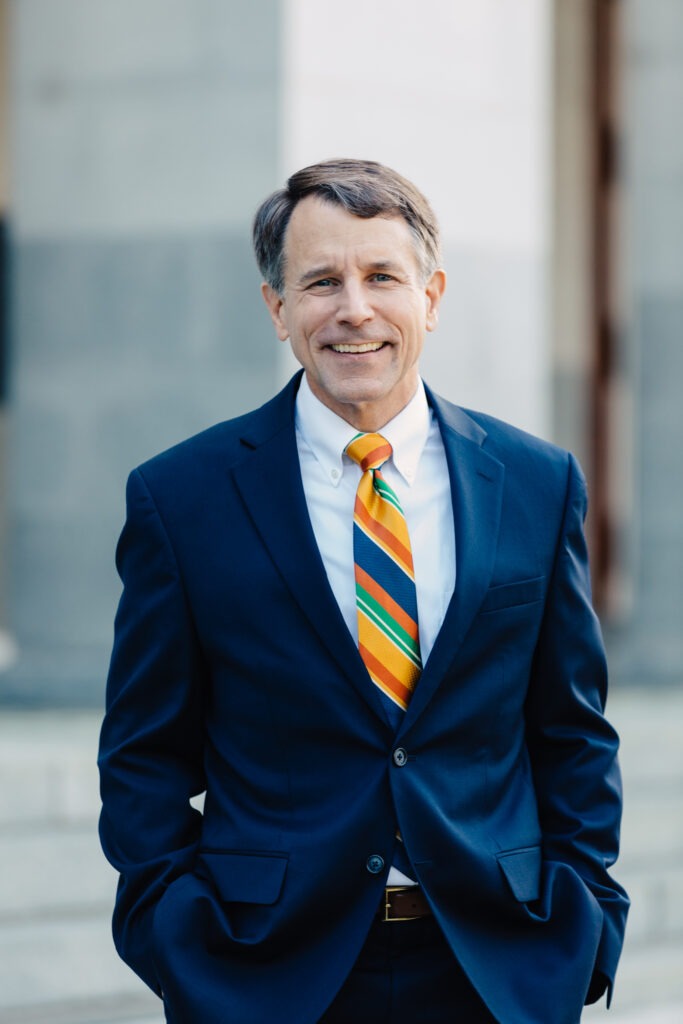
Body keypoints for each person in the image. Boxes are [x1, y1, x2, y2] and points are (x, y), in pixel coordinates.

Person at [98, 158, 628, 1024]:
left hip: (496, 966)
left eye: (382, 276)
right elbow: (143, 753)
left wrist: (585, 926)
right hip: (267, 973)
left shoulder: (535, 483)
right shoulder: (180, 498)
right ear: (277, 308)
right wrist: (176, 938)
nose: (353, 308)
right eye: (319, 281)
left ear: (431, 296)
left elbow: (570, 731)